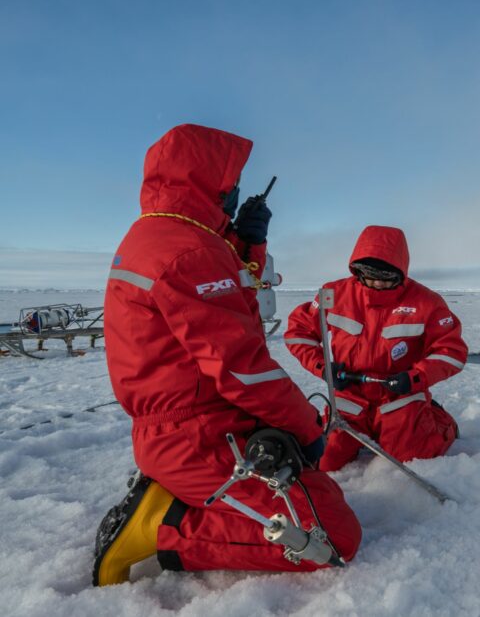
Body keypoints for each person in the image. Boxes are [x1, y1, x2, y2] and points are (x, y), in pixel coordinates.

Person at [93, 124, 361, 586]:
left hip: (197, 425)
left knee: (317, 493)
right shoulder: (190, 252)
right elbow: (242, 367)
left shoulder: (169, 236)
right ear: (207, 181)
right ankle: (160, 530)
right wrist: (305, 429)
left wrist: (244, 243)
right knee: (330, 534)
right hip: (199, 436)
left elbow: (232, 302)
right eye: (230, 181)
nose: (235, 190)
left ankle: (175, 497)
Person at [285, 226, 464, 470]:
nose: (378, 283)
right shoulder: (333, 293)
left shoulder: (427, 302)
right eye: (370, 275)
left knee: (410, 457)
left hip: (399, 395)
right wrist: (324, 368)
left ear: (401, 271)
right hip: (349, 395)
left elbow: (452, 351)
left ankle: (442, 423)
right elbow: (299, 331)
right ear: (357, 270)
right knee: (325, 460)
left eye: (387, 277)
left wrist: (415, 378)